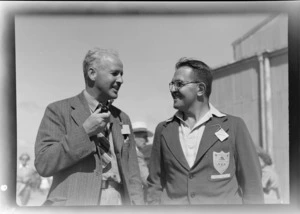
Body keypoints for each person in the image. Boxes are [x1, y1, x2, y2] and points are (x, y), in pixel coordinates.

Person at [34, 48, 144, 206]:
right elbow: (44, 164)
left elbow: (133, 173)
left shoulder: (122, 118)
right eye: (115, 73)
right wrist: (84, 132)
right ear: (92, 74)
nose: (121, 80)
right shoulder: (58, 110)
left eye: (122, 74)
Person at [147, 57, 264, 204]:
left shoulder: (234, 126)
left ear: (200, 89)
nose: (173, 90)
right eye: (172, 84)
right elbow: (154, 183)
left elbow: (252, 185)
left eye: (179, 84)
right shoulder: (163, 129)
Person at [132, 121, 153, 200]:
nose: (147, 141)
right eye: (144, 137)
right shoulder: (136, 154)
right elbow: (148, 181)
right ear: (133, 136)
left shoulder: (127, 152)